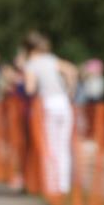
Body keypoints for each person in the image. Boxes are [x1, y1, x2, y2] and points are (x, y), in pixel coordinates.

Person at [23, 31, 77, 196]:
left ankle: (51, 185)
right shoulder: (52, 59)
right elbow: (71, 71)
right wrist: (70, 91)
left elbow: (30, 89)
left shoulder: (31, 64)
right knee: (63, 146)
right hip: (63, 103)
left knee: (50, 146)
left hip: (47, 105)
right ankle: (63, 186)